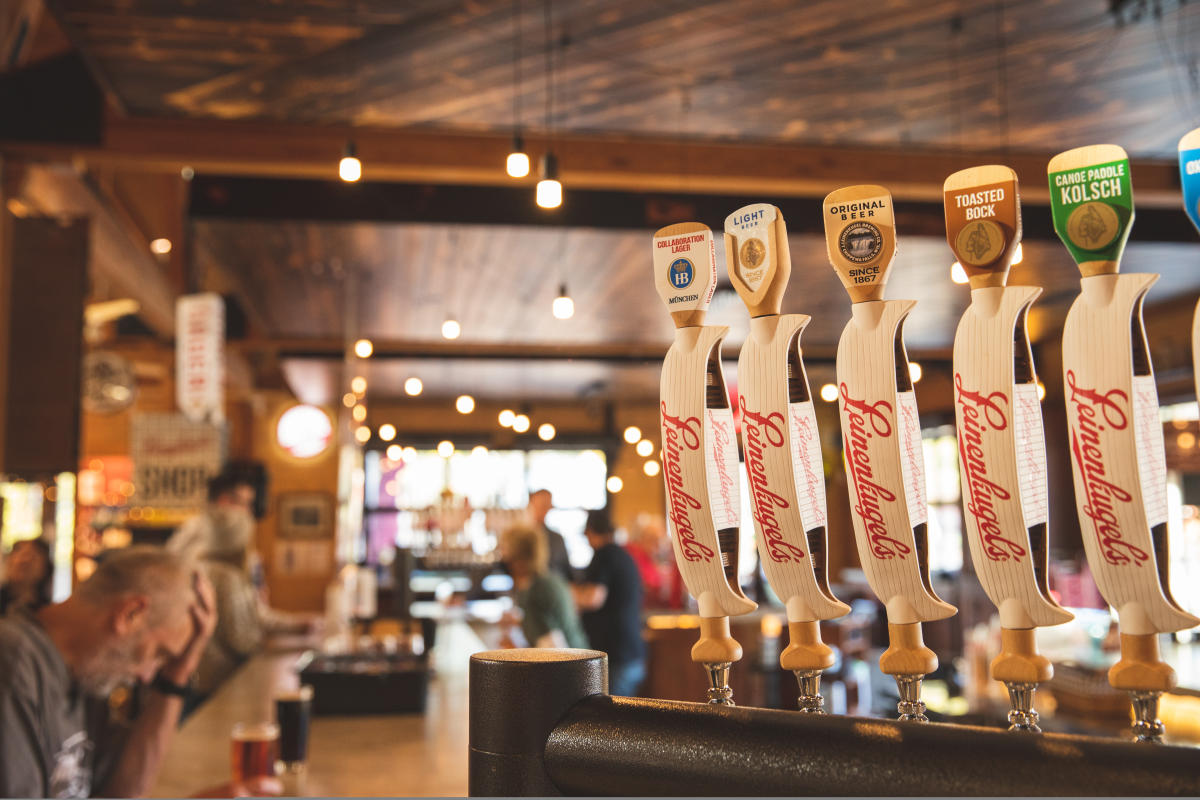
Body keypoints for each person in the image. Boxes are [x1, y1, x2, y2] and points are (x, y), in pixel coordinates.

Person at [0, 546, 274, 797]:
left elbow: (123, 793)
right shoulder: (13, 664)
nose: (146, 676)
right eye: (159, 654)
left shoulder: (86, 671)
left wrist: (178, 674)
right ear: (130, 614)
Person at [572, 511, 647, 696]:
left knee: (614, 722)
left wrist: (566, 594)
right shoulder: (622, 554)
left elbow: (593, 599)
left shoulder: (605, 554)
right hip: (632, 653)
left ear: (591, 532)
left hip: (616, 656)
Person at [497, 526, 587, 649]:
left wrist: (513, 651)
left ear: (519, 559)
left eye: (505, 552)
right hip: (578, 657)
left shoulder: (537, 590)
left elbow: (552, 649)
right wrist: (519, 622)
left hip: (570, 663)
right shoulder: (548, 580)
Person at [527, 489, 572, 582]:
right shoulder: (522, 537)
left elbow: (567, 572)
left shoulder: (557, 538)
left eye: (546, 505)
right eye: (540, 504)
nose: (543, 509)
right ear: (531, 504)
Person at [1, 538, 54, 616]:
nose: (23, 560)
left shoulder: (49, 613)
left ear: (45, 569)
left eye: (32, 556)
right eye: (18, 553)